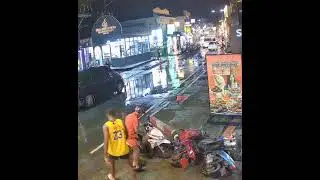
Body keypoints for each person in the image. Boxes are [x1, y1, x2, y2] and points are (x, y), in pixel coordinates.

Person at [103, 109, 130, 180]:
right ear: (116, 115)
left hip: (113, 151)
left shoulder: (106, 126)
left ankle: (113, 177)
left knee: (112, 165)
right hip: (123, 149)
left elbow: (106, 141)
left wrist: (105, 155)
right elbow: (127, 134)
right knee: (129, 167)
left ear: (108, 116)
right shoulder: (120, 121)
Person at [125, 104, 147, 171]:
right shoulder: (135, 119)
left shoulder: (128, 116)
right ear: (140, 113)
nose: (141, 115)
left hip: (126, 136)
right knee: (137, 150)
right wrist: (144, 133)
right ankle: (137, 166)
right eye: (142, 114)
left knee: (132, 151)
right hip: (131, 137)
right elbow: (137, 130)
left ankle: (134, 163)